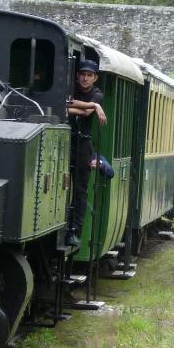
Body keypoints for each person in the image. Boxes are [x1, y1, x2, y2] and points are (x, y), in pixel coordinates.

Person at [65, 59, 107, 251]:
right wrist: (92, 107)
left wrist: (91, 107)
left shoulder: (97, 94)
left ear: (95, 78)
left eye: (89, 75)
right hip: (65, 140)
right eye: (82, 74)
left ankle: (75, 231)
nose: (85, 78)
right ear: (77, 75)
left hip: (83, 144)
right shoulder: (70, 86)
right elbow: (66, 104)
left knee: (81, 189)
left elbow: (84, 114)